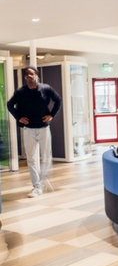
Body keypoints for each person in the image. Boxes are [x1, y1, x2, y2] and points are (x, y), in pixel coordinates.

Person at [7, 66, 62, 197]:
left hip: (44, 128)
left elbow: (58, 100)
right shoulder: (21, 91)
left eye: (31, 74)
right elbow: (10, 104)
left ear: (36, 75)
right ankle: (37, 186)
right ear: (25, 77)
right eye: (27, 74)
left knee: (46, 157)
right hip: (29, 130)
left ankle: (42, 181)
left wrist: (52, 115)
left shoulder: (46, 88)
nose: (29, 76)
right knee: (31, 159)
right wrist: (19, 117)